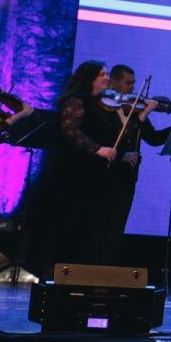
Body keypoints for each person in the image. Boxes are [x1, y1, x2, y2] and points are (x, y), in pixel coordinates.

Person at [52, 61, 120, 265]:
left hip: (93, 172)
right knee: (74, 218)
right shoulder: (76, 99)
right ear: (90, 78)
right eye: (102, 74)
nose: (107, 78)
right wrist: (97, 149)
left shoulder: (98, 103)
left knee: (90, 221)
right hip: (76, 171)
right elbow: (70, 130)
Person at [103, 64, 165, 263]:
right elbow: (105, 138)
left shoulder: (134, 110)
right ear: (114, 82)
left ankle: (109, 266)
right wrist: (142, 115)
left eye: (133, 83)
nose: (132, 88)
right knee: (104, 223)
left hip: (128, 175)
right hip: (106, 173)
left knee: (118, 224)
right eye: (128, 83)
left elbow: (153, 138)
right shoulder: (106, 108)